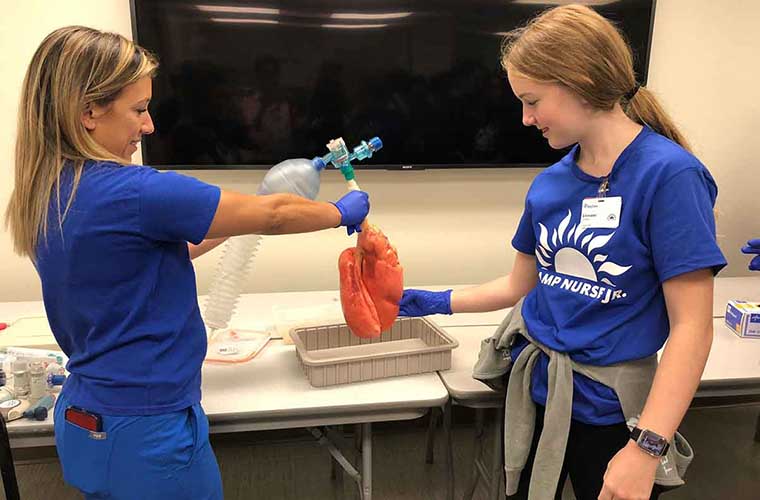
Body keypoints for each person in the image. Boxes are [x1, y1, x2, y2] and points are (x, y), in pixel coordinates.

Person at [3, 26, 369, 500]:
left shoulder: (52, 191)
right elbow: (276, 214)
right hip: (148, 431)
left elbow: (160, 250)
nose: (150, 125)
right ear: (88, 110)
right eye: (138, 109)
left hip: (88, 417)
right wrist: (340, 212)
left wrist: (244, 217)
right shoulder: (136, 192)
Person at [399, 5, 725, 500]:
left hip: (617, 414)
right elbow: (519, 286)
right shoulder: (550, 184)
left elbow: (692, 327)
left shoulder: (669, 177)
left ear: (580, 81)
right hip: (536, 394)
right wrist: (436, 301)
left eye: (532, 101)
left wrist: (646, 448)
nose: (525, 119)